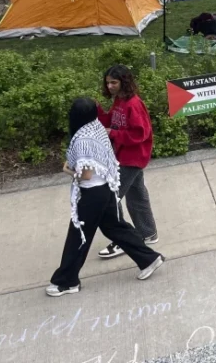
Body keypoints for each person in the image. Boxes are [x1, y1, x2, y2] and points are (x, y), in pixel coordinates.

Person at [47, 97, 163, 296]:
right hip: (107, 189)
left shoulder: (82, 139)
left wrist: (67, 170)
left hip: (92, 194)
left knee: (78, 238)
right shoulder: (97, 127)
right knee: (115, 228)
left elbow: (85, 175)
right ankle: (149, 259)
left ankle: (66, 281)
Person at [95, 65, 160, 259]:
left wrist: (113, 133)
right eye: (108, 82)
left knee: (110, 197)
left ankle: (125, 238)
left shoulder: (133, 104)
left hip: (131, 158)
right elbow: (112, 121)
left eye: (114, 82)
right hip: (124, 155)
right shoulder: (119, 101)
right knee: (137, 195)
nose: (110, 86)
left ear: (124, 82)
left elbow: (141, 133)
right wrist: (96, 110)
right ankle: (148, 233)